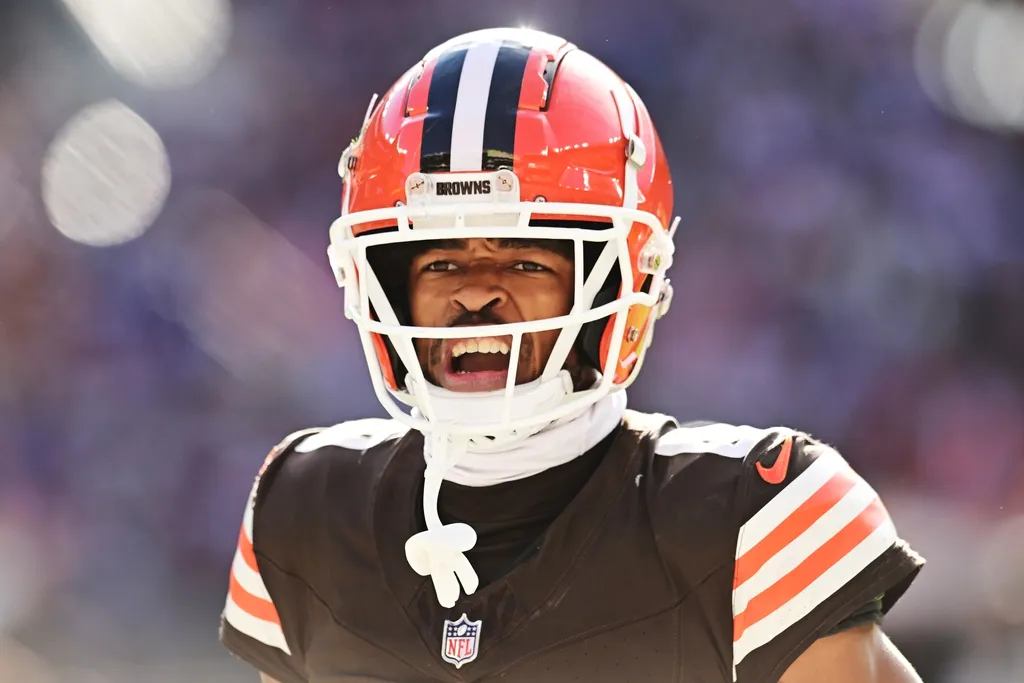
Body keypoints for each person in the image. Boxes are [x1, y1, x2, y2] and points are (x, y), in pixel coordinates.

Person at [219, 27, 925, 683]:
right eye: (438, 263)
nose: (475, 294)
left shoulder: (752, 516)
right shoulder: (304, 509)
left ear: (628, 283)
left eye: (525, 262)